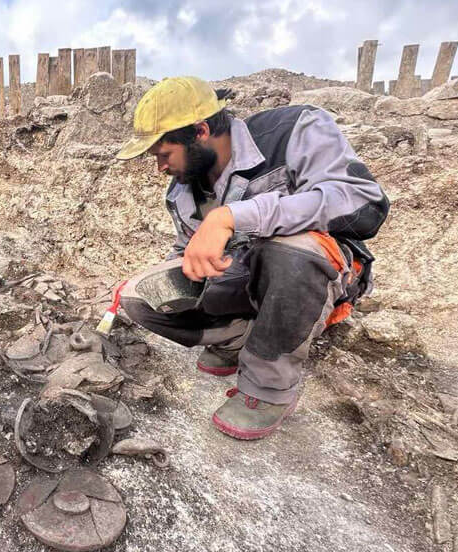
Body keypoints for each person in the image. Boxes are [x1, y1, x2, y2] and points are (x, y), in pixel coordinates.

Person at [115, 77, 389, 440]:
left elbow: (365, 205)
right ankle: (240, 339)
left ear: (199, 132)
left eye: (163, 154)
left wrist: (232, 217)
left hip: (317, 271)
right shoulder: (183, 190)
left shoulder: (294, 130)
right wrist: (159, 280)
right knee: (140, 295)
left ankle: (268, 387)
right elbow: (187, 253)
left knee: (288, 249)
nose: (160, 167)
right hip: (244, 278)